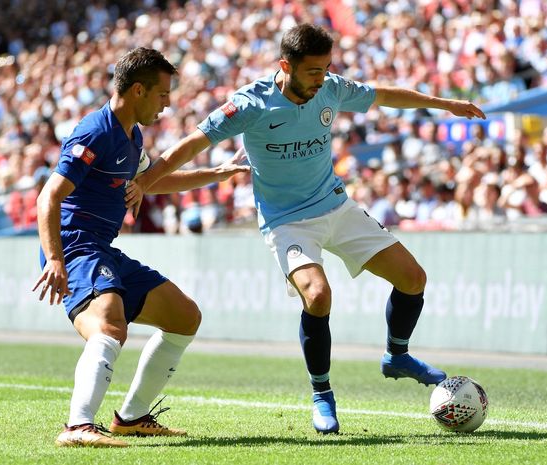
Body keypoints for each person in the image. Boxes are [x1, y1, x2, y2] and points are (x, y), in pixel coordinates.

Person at [128, 24, 486, 435]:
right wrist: (145, 182)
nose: (322, 78)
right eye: (313, 71)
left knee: (413, 278)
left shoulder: (331, 89)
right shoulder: (251, 104)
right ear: (286, 65)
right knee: (317, 295)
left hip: (335, 204)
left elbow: (384, 95)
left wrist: (446, 104)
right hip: (287, 222)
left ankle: (397, 355)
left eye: (326, 68)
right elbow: (190, 144)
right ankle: (322, 394)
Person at [32, 47, 248, 448]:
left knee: (184, 316)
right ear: (137, 91)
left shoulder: (131, 136)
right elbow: (48, 198)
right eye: (162, 95)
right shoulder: (95, 132)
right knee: (111, 323)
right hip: (77, 247)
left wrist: (218, 174)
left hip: (102, 249)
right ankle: (78, 426)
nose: (167, 104)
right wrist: (56, 259)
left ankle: (130, 419)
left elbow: (154, 181)